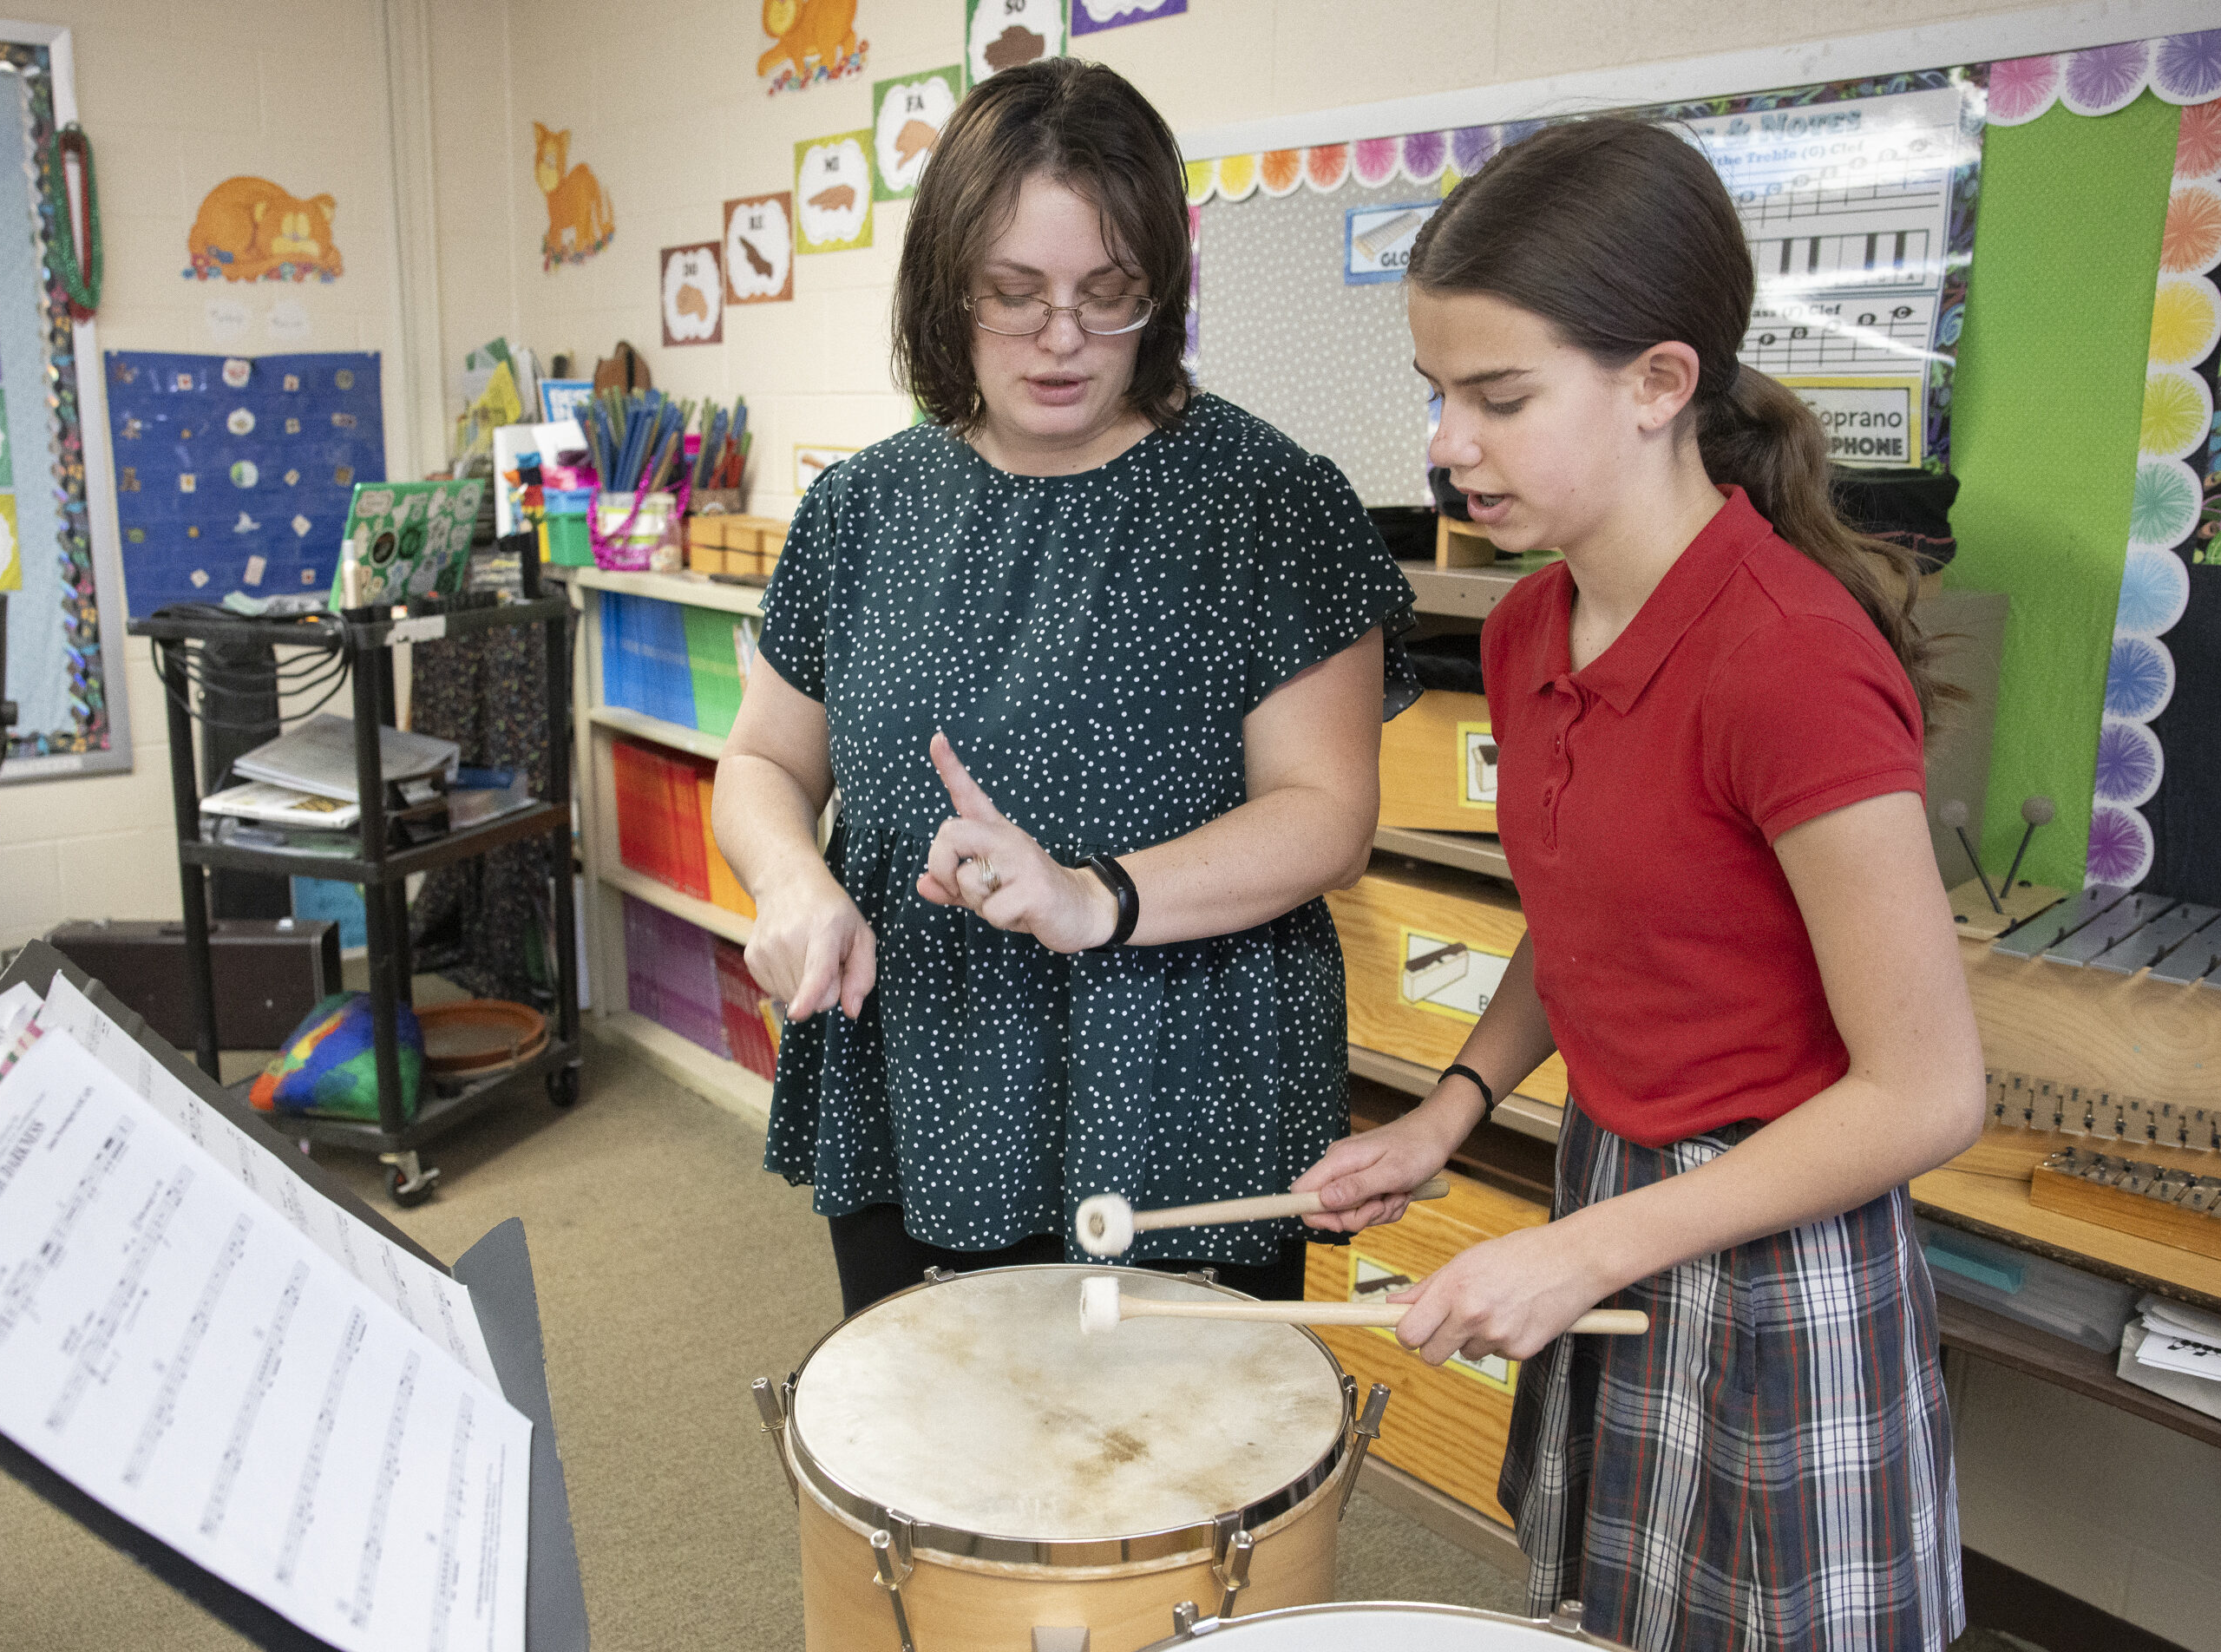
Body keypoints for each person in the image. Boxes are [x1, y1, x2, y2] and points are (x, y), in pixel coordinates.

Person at [1293, 117, 1980, 1652]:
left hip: (1782, 1237)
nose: (1447, 445)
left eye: (1501, 398)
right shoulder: (1537, 626)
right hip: (1613, 1179)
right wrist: (1451, 1113)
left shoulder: (1788, 661)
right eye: (1437, 396)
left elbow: (1928, 1092)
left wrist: (1588, 1247)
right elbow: (1592, 923)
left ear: (1663, 384)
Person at [712, 58, 1416, 1317]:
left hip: (1181, 1092)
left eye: (1109, 297)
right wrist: (792, 883)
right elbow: (765, 761)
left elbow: (1327, 814)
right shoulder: (860, 510)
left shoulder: (1266, 504)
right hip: (922, 1070)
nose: (1061, 340)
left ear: (1161, 288)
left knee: (1178, 1486)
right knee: (936, 1465)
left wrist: (1095, 898)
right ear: (945, 290)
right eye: (1014, 294)